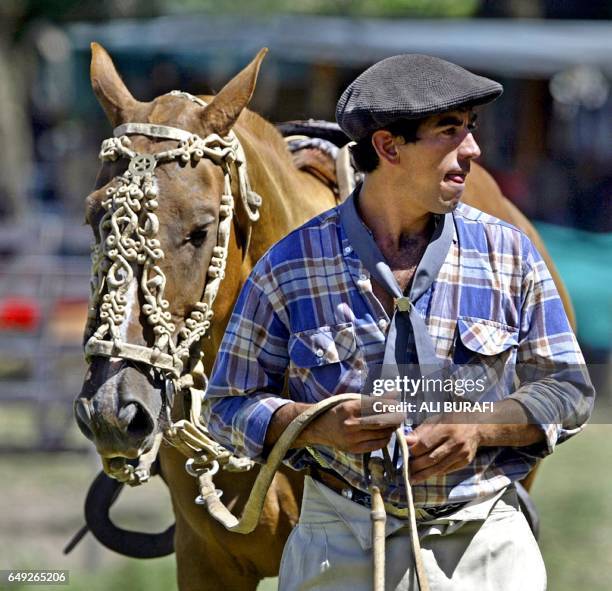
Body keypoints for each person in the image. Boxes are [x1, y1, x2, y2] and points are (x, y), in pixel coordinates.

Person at [201, 54, 594, 590]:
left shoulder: (509, 253)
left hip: (484, 546)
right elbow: (225, 404)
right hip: (334, 548)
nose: (473, 149)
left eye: (470, 129)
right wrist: (313, 425)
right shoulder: (288, 266)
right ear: (388, 147)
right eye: (449, 131)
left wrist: (482, 427)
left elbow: (569, 389)